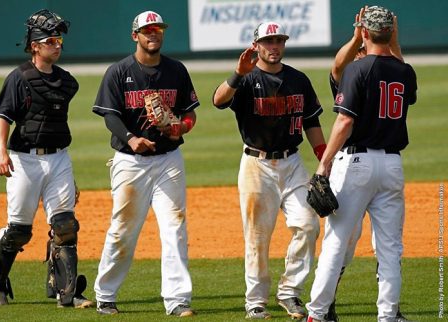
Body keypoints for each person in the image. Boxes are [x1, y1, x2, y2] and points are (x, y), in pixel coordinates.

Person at [305, 6, 417, 322]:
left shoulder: (358, 69)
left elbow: (343, 123)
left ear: (364, 33)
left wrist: (323, 165)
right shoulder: (405, 71)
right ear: (391, 33)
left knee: (336, 244)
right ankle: (387, 315)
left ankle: (316, 313)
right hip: (392, 167)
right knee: (390, 249)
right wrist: (391, 33)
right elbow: (396, 63)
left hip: (355, 163)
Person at [213, 22, 326, 320]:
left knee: (308, 226)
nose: (274, 46)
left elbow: (311, 122)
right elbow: (218, 100)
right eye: (267, 41)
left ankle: (290, 293)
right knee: (257, 236)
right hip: (256, 165)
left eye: (278, 40)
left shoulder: (298, 79)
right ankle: (256, 300)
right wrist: (238, 73)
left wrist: (323, 158)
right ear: (256, 46)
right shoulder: (247, 80)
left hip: (293, 163)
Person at [0, 9, 93, 309]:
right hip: (24, 160)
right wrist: (1, 151)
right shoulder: (19, 78)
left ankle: (65, 292)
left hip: (58, 159)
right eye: (50, 40)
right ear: (35, 45)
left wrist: (67, 174)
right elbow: (3, 117)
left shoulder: (67, 82)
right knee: (19, 230)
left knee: (66, 225)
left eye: (59, 39)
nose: (57, 45)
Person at [92, 10, 199, 317]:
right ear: (135, 36)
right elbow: (110, 115)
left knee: (174, 228)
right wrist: (130, 138)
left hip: (169, 160)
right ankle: (106, 294)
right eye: (147, 30)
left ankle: (178, 299)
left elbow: (190, 113)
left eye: (158, 30)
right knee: (123, 230)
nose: (154, 34)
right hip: (131, 162)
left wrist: (181, 127)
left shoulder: (176, 70)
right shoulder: (118, 72)